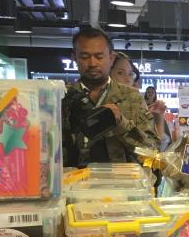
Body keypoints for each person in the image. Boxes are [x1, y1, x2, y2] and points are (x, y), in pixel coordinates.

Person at [62, 27, 159, 168]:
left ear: (111, 58)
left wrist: (121, 124)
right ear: (74, 58)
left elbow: (152, 151)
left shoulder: (131, 98)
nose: (92, 63)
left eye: (99, 56)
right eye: (84, 57)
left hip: (121, 180)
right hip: (72, 179)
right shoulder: (62, 98)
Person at [143, 85, 171, 151]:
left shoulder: (157, 104)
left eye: (152, 92)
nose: (150, 94)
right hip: (148, 125)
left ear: (155, 94)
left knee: (163, 139)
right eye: (148, 92)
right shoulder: (143, 103)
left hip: (157, 125)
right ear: (146, 94)